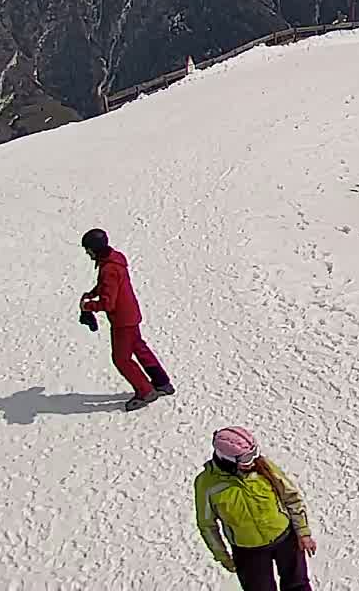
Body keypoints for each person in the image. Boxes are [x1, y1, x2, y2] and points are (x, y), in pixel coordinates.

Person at [194, 427, 316, 591]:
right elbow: (207, 525)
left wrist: (303, 532)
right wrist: (223, 556)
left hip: (285, 539)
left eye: (253, 454)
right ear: (227, 459)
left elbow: (291, 497)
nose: (252, 461)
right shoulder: (207, 484)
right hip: (249, 553)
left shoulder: (262, 466)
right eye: (246, 458)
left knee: (298, 585)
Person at [78, 228, 172, 408]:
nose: (87, 253)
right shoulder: (114, 259)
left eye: (88, 249)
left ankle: (145, 391)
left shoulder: (108, 269)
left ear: (95, 248)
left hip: (122, 321)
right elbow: (107, 287)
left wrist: (88, 306)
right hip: (131, 314)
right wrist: (93, 293)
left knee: (121, 359)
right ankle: (161, 382)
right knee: (140, 349)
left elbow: (108, 303)